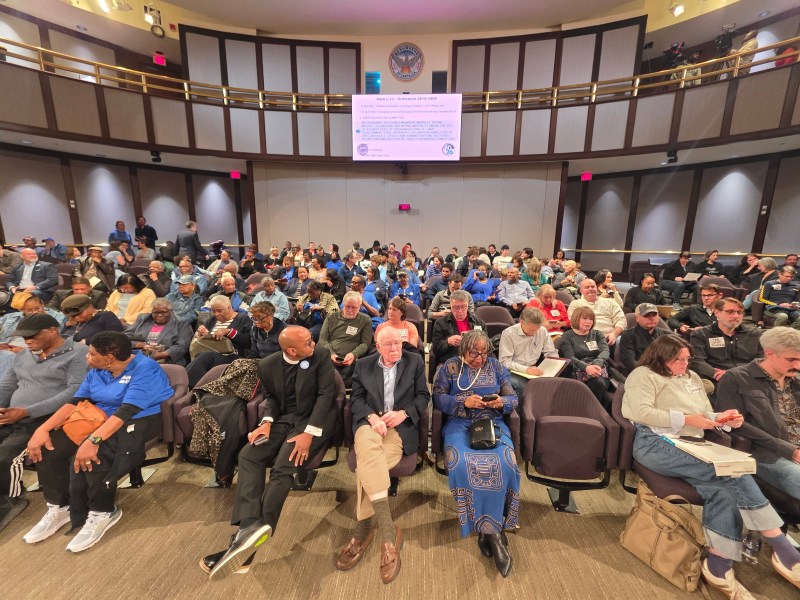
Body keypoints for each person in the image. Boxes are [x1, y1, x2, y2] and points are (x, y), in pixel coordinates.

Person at [622, 334, 800, 597]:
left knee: (724, 491)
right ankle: (783, 548)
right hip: (655, 442)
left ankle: (717, 564)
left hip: (692, 443)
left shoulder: (691, 379)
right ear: (661, 357)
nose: (685, 364)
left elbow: (705, 414)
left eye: (687, 359)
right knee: (734, 470)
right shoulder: (643, 375)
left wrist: (724, 418)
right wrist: (687, 420)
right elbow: (641, 413)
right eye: (678, 359)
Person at [201, 326, 340, 580]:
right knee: (247, 455)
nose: (314, 344)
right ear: (291, 350)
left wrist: (308, 434)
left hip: (314, 422)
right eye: (308, 342)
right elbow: (272, 401)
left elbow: (326, 397)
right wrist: (265, 421)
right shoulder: (266, 365)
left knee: (282, 468)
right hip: (283, 421)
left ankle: (245, 547)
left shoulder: (320, 356)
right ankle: (248, 532)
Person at [23, 332, 173, 552]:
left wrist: (92, 440)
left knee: (96, 454)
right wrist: (42, 430)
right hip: (97, 416)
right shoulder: (97, 370)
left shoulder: (144, 368)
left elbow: (126, 411)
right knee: (48, 447)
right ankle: (60, 506)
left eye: (92, 353)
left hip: (139, 418)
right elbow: (75, 402)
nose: (87, 357)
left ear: (110, 357)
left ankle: (103, 511)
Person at [337, 327, 429, 583]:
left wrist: (404, 413)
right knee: (368, 447)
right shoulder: (364, 365)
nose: (395, 349)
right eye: (388, 345)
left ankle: (363, 526)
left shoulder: (414, 361)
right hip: (370, 425)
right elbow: (355, 400)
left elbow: (424, 396)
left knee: (368, 463)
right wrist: (371, 417)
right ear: (377, 346)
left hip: (399, 429)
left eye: (398, 344)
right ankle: (389, 533)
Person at [432, 329, 519, 577]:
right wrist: (463, 402)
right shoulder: (450, 368)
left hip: (492, 424)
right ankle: (490, 531)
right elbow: (437, 398)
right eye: (473, 354)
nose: (479, 359)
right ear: (462, 351)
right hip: (459, 424)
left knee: (505, 463)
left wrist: (501, 403)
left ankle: (490, 531)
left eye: (483, 353)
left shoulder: (496, 366)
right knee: (462, 465)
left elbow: (513, 397)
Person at [0, 314, 89, 531]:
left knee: (5, 456)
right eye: (24, 337)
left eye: (32, 336)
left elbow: (74, 392)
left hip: (48, 419)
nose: (27, 341)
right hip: (14, 416)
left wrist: (27, 411)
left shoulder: (78, 353)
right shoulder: (22, 356)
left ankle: (9, 499)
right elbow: (7, 386)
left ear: (52, 330)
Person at [716, 327, 800, 501]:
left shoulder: (796, 380)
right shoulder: (736, 378)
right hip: (769, 453)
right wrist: (791, 450)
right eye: (791, 359)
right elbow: (737, 426)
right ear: (770, 353)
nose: (797, 365)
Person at [691, 298, 763, 387]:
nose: (736, 316)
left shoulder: (755, 334)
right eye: (730, 312)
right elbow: (697, 361)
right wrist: (716, 374)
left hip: (748, 377)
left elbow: (762, 360)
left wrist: (736, 374)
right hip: (717, 380)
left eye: (739, 312)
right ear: (717, 312)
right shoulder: (701, 334)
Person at [186, 295, 253, 387]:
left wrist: (229, 332)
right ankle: (193, 386)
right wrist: (201, 332)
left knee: (204, 356)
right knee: (202, 356)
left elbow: (248, 342)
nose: (216, 314)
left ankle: (187, 385)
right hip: (209, 352)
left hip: (232, 355)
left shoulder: (243, 319)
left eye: (219, 311)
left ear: (229, 308)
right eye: (213, 311)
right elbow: (203, 336)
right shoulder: (212, 320)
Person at [499, 307, 559, 400]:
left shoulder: (542, 330)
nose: (533, 333)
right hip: (513, 370)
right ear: (521, 322)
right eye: (531, 330)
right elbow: (504, 362)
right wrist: (526, 369)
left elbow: (550, 352)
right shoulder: (508, 334)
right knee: (525, 387)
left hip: (534, 369)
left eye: (536, 330)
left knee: (553, 384)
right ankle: (520, 413)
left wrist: (556, 366)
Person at [318, 291, 372, 386]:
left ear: (360, 306)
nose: (350, 310)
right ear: (343, 304)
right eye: (347, 306)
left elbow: (365, 343)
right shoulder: (331, 317)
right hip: (328, 356)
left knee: (338, 382)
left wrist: (353, 354)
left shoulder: (365, 320)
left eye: (354, 308)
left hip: (350, 360)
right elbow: (323, 340)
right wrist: (331, 354)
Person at [430, 290, 486, 370]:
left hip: (474, 362)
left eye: (463, 307)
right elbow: (435, 349)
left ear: (468, 305)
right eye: (456, 307)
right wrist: (448, 342)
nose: (460, 311)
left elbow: (487, 348)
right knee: (439, 379)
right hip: (449, 362)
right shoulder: (440, 323)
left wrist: (475, 341)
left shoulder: (478, 323)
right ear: (450, 306)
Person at [126, 299, 192, 366]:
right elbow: (124, 338)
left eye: (163, 312)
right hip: (139, 357)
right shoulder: (143, 319)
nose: (159, 315)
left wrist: (163, 354)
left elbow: (182, 346)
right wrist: (140, 344)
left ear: (170, 311)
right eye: (156, 312)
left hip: (167, 361)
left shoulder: (181, 323)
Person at [567, 278, 626, 346]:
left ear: (597, 288)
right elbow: (574, 323)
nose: (590, 289)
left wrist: (614, 334)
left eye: (592, 286)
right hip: (586, 337)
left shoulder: (611, 302)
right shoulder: (575, 304)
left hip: (611, 337)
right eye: (587, 287)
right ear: (581, 291)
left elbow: (621, 320)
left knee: (622, 341)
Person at [619, 303, 669, 375]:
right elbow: (630, 363)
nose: (651, 318)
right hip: (641, 374)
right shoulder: (628, 335)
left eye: (654, 315)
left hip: (665, 372)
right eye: (647, 315)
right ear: (637, 318)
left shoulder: (667, 335)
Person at [60, 294, 125, 345]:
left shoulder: (105, 316)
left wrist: (86, 341)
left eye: (80, 313)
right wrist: (66, 326)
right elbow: (61, 338)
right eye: (73, 316)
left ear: (89, 307)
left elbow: (116, 336)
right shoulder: (71, 320)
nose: (77, 317)